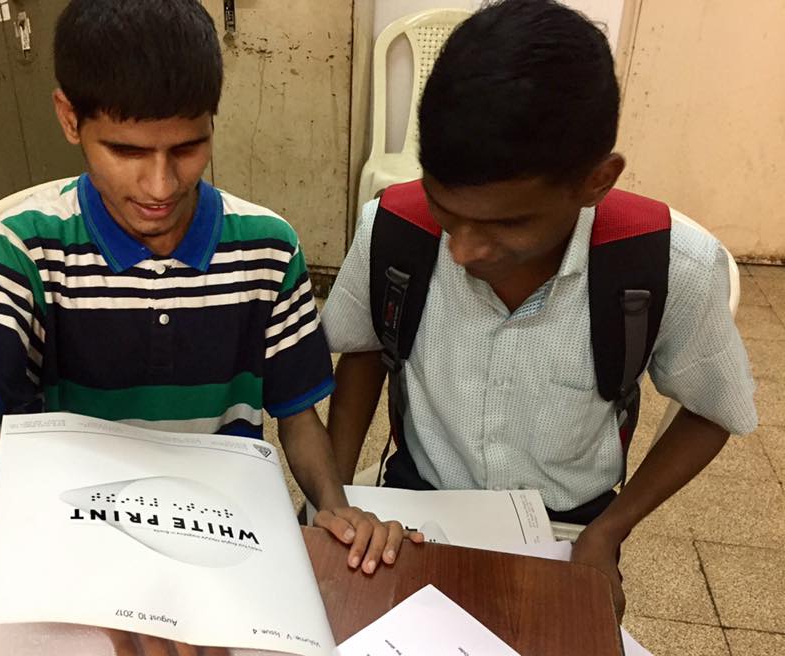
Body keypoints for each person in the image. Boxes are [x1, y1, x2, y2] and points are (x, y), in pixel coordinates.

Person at [0, 0, 418, 656]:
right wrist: (104, 569)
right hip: (74, 532)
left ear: (212, 120)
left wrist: (331, 503)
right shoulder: (25, 245)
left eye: (187, 148)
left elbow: (299, 420)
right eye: (125, 151)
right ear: (70, 120)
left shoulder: (268, 248)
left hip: (218, 531)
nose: (160, 186)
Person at [323, 0, 756, 621]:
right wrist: (334, 499)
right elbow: (362, 351)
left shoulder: (668, 264)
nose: (465, 250)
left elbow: (713, 409)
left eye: (507, 223)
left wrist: (609, 531)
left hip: (567, 528)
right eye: (447, 210)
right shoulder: (395, 230)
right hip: (415, 506)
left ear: (596, 181)